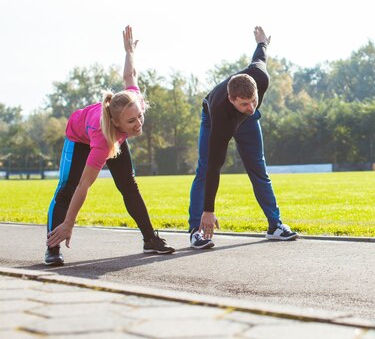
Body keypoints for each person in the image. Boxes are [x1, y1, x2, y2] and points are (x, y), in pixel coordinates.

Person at [45, 26, 175, 266]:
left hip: (114, 137)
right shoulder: (103, 141)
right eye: (131, 121)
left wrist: (129, 51)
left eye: (139, 117)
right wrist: (70, 223)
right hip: (80, 137)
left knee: (129, 186)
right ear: (116, 122)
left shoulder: (133, 101)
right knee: (67, 187)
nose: (138, 124)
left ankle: (150, 239)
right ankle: (53, 247)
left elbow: (130, 75)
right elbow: (85, 184)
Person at [187, 26, 297, 249]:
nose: (250, 106)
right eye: (244, 104)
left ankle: (275, 225)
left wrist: (262, 42)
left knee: (258, 168)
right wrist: (209, 210)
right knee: (204, 167)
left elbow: (260, 56)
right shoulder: (221, 114)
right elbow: (214, 168)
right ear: (231, 99)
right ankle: (195, 231)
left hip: (247, 125)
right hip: (213, 119)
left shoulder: (260, 78)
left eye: (253, 100)